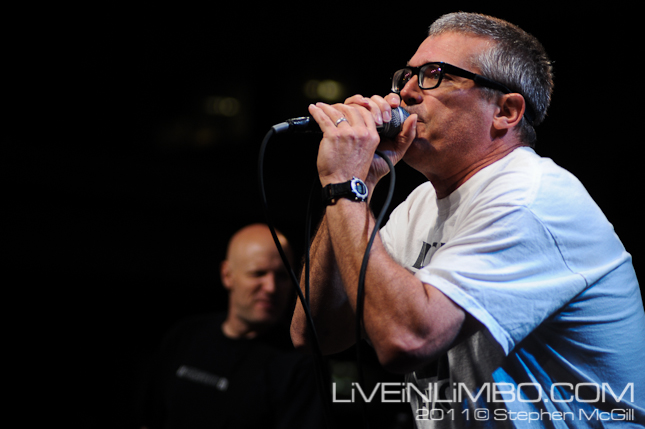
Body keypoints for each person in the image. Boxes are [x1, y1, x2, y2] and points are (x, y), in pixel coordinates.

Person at [291, 12, 645, 428]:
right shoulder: (420, 205)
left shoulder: (531, 199)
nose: (404, 93)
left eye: (435, 75)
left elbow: (407, 339)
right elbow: (314, 333)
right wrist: (359, 187)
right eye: (406, 76)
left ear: (505, 111)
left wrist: (344, 187)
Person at [140, 223, 324, 429]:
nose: (271, 287)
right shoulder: (185, 336)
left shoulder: (299, 363)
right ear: (227, 275)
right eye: (258, 273)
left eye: (282, 275)